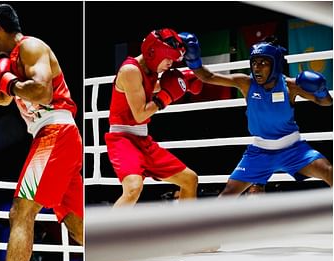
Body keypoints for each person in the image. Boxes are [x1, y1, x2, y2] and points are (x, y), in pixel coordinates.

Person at [0, 4, 83, 261]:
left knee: (21, 211)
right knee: (77, 225)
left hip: (54, 131)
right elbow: (3, 97)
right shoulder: (11, 60)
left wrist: (9, 83)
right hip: (56, 135)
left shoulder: (31, 47)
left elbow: (43, 93)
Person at [178, 33, 333, 195]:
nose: (257, 68)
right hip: (260, 152)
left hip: (293, 149)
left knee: (329, 171)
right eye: (254, 63)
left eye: (263, 63)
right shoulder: (246, 83)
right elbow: (207, 76)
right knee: (228, 193)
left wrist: (321, 90)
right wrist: (192, 58)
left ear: (275, 65)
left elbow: (327, 102)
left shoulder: (290, 86)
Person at [105, 28, 202, 207]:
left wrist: (183, 84)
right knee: (133, 189)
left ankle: (185, 232)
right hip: (123, 139)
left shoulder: (150, 70)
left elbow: (148, 89)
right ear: (153, 52)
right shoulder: (130, 70)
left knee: (190, 179)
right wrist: (167, 95)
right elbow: (140, 114)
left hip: (144, 140)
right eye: (169, 58)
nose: (170, 64)